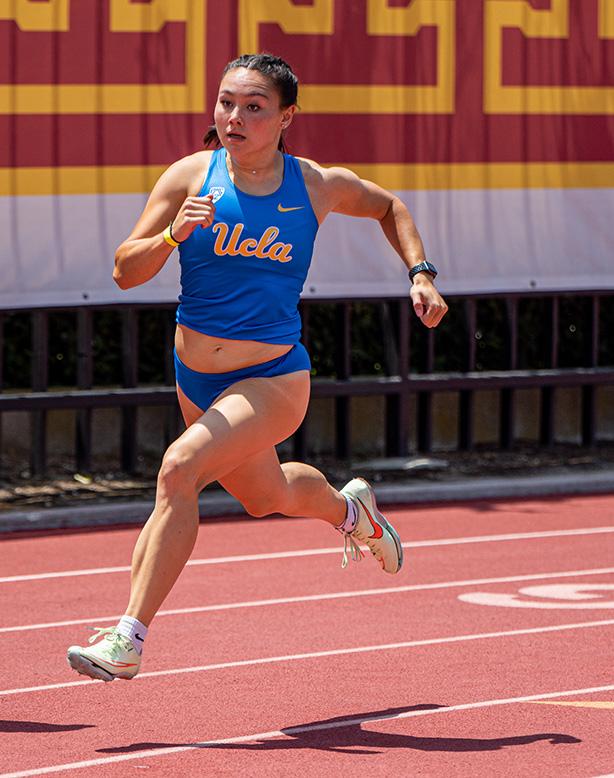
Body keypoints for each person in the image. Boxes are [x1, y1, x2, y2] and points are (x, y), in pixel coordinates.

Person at [66, 53, 447, 681]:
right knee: (265, 497)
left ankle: (128, 637)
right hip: (197, 378)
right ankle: (353, 513)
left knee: (178, 469)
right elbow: (123, 271)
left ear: (286, 116)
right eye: (225, 103)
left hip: (272, 378)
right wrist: (169, 239)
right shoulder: (190, 177)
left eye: (253, 107)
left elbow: (390, 207)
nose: (234, 117)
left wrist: (420, 274)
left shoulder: (314, 185)